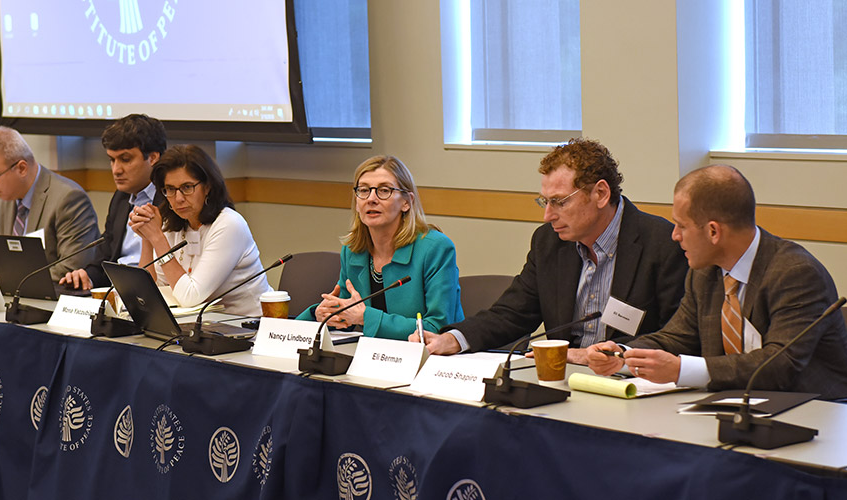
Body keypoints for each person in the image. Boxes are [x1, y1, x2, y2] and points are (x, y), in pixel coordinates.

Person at [413, 138, 687, 362]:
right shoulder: (549, 242)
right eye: (544, 201)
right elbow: (513, 314)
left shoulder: (661, 244)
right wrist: (453, 339)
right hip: (561, 380)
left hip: (631, 383)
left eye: (559, 202)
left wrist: (591, 356)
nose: (547, 216)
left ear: (601, 194)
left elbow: (676, 336)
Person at [586, 165, 847, 399]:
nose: (674, 235)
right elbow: (677, 337)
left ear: (713, 231)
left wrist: (680, 370)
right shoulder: (705, 272)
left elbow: (780, 365)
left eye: (681, 226)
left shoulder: (796, 273)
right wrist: (621, 354)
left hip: (813, 413)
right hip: (735, 405)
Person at [296, 155, 464, 340]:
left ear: (406, 202)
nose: (371, 199)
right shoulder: (353, 250)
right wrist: (325, 315)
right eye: (364, 190)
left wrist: (366, 318)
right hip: (374, 358)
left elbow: (437, 327)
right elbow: (346, 316)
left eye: (384, 190)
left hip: (430, 359)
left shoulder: (435, 248)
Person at [129, 144, 269, 316]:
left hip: (247, 328)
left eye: (187, 187)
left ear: (207, 186)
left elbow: (190, 297)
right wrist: (147, 237)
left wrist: (157, 238)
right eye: (170, 189)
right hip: (200, 327)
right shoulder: (173, 223)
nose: (178, 199)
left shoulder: (229, 224)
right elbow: (146, 292)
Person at [0, 126, 100, 282]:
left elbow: (72, 268)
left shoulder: (68, 199)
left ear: (22, 168)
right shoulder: (4, 199)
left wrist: (12, 280)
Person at [60, 114, 165, 290]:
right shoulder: (121, 198)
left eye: (125, 159)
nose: (116, 170)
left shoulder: (173, 200)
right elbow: (105, 256)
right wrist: (87, 277)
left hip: (155, 292)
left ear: (153, 158)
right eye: (112, 160)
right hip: (118, 291)